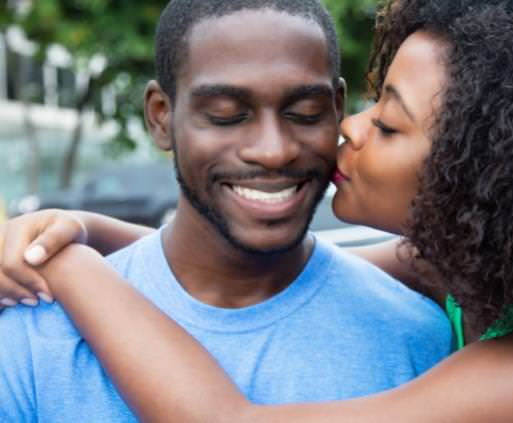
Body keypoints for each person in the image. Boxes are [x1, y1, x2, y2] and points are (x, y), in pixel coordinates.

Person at [2, 0, 513, 421]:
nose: (349, 130)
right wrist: (83, 225)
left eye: (388, 126)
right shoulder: (474, 276)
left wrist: (65, 264)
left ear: (489, 177)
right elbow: (264, 267)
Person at [0, 1, 454, 421]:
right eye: (225, 115)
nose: (273, 151)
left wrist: (72, 262)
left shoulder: (419, 336)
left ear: (336, 109)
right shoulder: (30, 338)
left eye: (305, 112)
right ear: (161, 116)